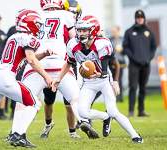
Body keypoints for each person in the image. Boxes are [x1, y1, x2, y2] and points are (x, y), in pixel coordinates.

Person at [4, 0, 100, 141]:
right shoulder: (66, 14)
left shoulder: (36, 15)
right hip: (59, 62)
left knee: (24, 101)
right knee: (75, 97)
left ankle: (15, 132)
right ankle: (83, 120)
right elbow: (75, 38)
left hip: (37, 63)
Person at [0, 10, 53, 148]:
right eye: (37, 24)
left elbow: (27, 57)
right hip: (6, 77)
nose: (39, 27)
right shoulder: (28, 38)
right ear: (30, 25)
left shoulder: (14, 37)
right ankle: (20, 135)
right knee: (35, 102)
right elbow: (31, 59)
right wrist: (46, 76)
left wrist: (43, 54)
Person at [52, 15, 144, 143]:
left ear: (94, 31)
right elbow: (68, 62)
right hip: (88, 82)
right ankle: (105, 117)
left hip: (104, 80)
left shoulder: (102, 44)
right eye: (79, 30)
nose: (81, 34)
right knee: (82, 112)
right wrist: (59, 79)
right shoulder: (73, 45)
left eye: (85, 31)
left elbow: (105, 72)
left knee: (113, 111)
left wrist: (99, 75)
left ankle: (136, 136)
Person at [41, 0, 82, 138]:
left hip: (68, 63)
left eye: (75, 13)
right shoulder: (59, 22)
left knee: (70, 101)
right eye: (71, 12)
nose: (73, 15)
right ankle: (48, 123)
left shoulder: (76, 25)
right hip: (52, 62)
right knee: (48, 99)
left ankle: (73, 131)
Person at [123, 10, 157, 117]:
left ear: (144, 18)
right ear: (135, 18)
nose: (140, 19)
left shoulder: (149, 32)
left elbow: (153, 47)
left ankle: (141, 111)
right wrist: (133, 58)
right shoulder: (129, 32)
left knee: (143, 88)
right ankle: (131, 111)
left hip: (146, 64)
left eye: (141, 17)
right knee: (133, 87)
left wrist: (149, 58)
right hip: (134, 65)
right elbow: (125, 47)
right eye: (138, 17)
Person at [109, 26, 126, 102]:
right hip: (112, 62)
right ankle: (114, 97)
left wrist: (122, 50)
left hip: (120, 62)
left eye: (115, 31)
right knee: (112, 80)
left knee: (120, 80)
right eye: (113, 31)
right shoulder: (109, 40)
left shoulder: (122, 40)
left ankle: (120, 97)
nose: (114, 32)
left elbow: (126, 51)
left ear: (118, 31)